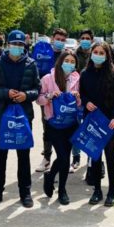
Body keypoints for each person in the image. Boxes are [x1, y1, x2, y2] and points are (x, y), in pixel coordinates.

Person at [0, 30, 40, 208]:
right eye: (14, 44)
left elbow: (37, 89)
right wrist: (5, 93)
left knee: (24, 156)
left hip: (22, 118)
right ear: (8, 45)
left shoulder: (31, 64)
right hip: (1, 117)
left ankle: (25, 192)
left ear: (24, 47)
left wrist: (26, 95)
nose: (17, 47)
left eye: (20, 45)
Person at [80, 42, 114, 207]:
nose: (98, 54)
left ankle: (111, 191)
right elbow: (82, 93)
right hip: (93, 120)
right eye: (95, 52)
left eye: (101, 52)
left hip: (110, 122)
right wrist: (86, 102)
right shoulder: (85, 73)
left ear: (107, 55)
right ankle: (97, 190)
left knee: (110, 157)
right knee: (95, 157)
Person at [37, 50, 81, 205]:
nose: (69, 64)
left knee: (66, 157)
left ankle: (62, 190)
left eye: (72, 62)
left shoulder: (77, 79)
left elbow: (80, 104)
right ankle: (50, 177)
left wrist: (78, 97)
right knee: (62, 156)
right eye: (66, 60)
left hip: (71, 123)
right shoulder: (48, 78)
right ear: (60, 61)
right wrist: (49, 96)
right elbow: (39, 99)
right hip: (54, 123)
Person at [36, 28, 69, 173]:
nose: (60, 42)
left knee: (65, 129)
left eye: (63, 40)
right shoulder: (44, 54)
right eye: (58, 39)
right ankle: (47, 157)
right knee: (47, 128)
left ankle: (65, 159)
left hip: (64, 100)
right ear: (52, 38)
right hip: (47, 98)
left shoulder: (66, 57)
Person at [71, 30, 94, 172]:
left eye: (88, 38)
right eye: (83, 38)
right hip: (76, 96)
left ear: (92, 40)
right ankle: (76, 157)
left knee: (92, 129)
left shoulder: (96, 54)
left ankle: (91, 159)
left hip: (92, 98)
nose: (85, 40)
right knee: (76, 129)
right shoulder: (74, 54)